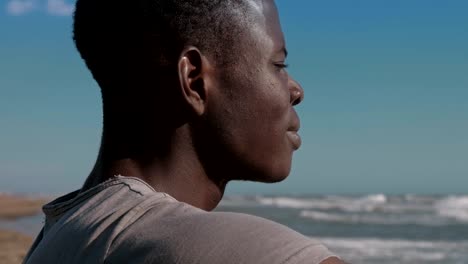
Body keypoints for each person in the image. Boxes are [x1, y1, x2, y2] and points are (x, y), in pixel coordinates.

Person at [24, 0, 345, 263]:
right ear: (194, 80)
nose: (296, 90)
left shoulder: (61, 234)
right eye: (278, 65)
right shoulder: (252, 253)